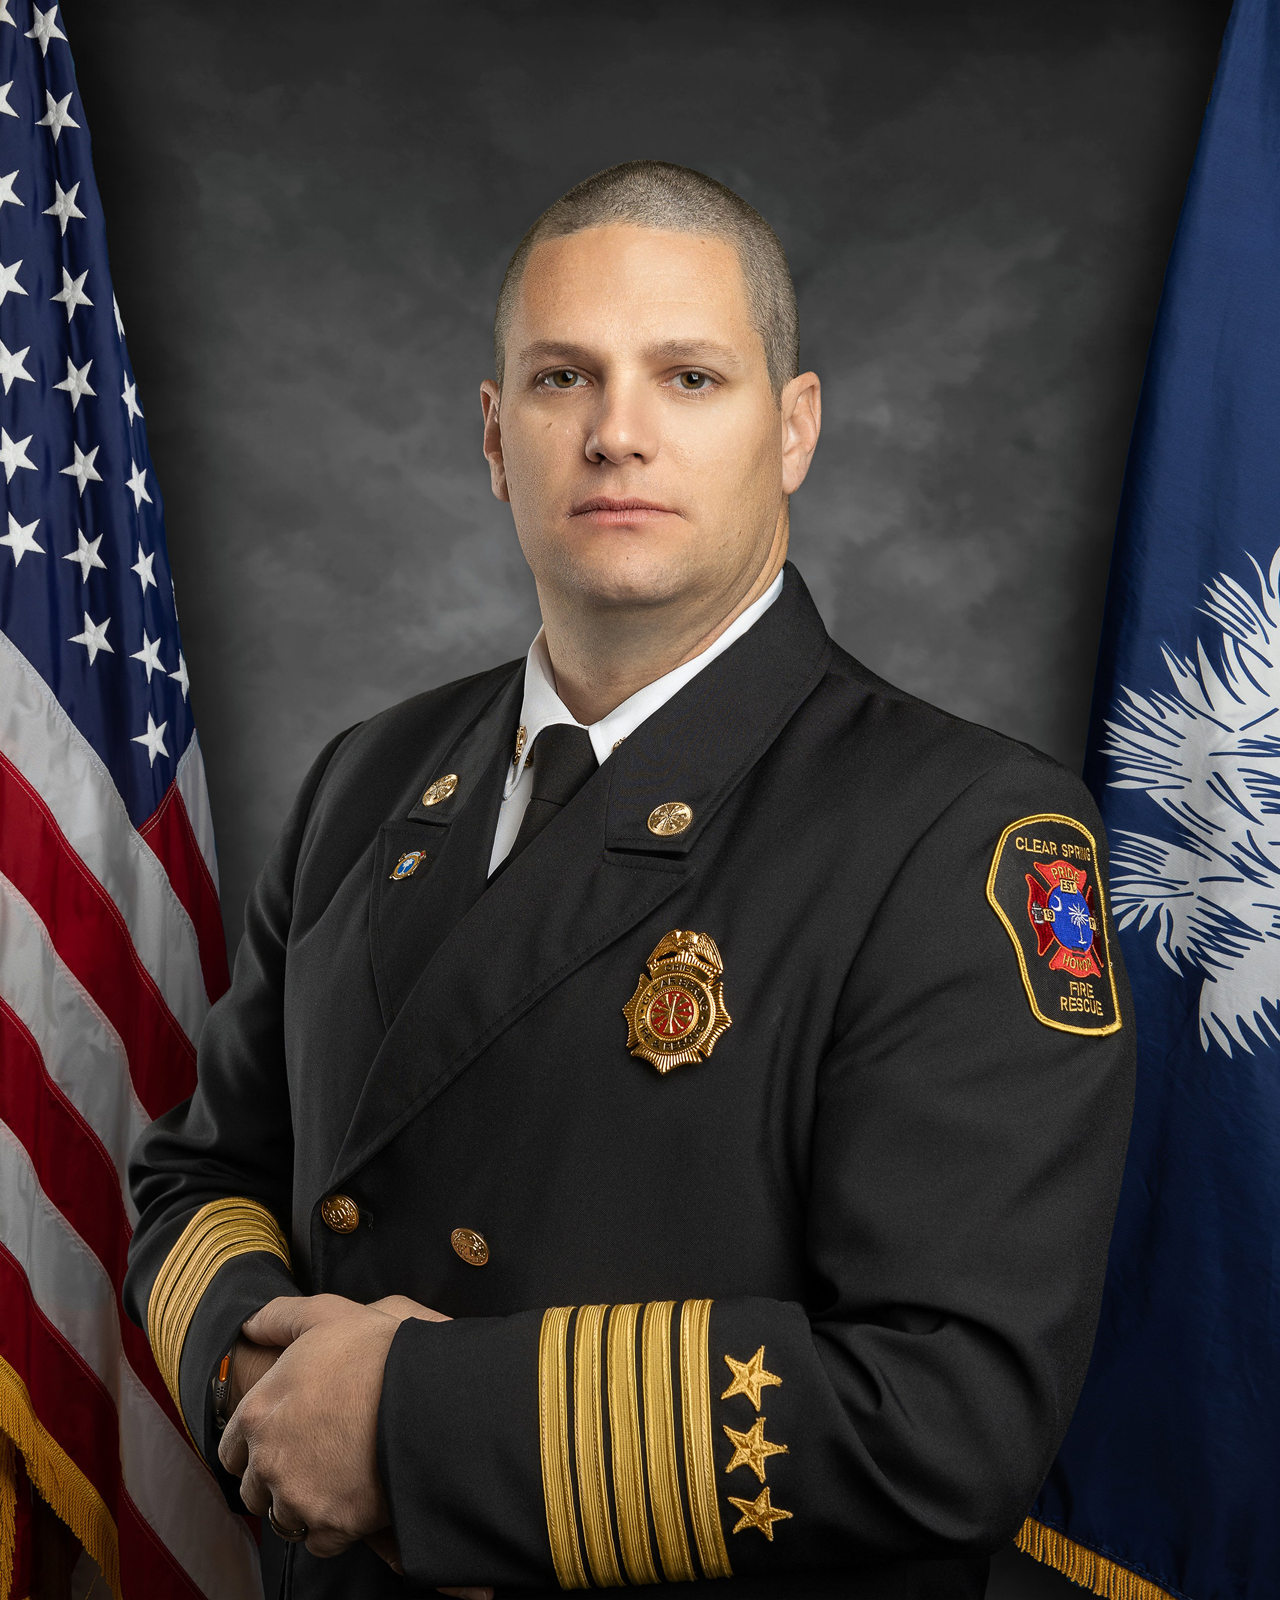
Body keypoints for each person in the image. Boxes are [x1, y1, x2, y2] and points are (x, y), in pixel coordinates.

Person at [124, 161, 1135, 1600]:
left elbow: (953, 1409)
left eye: (691, 378)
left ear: (793, 430)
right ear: (493, 437)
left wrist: (412, 1429)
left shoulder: (963, 832)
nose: (616, 434)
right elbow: (201, 1173)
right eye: (560, 378)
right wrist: (269, 1383)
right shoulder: (369, 778)